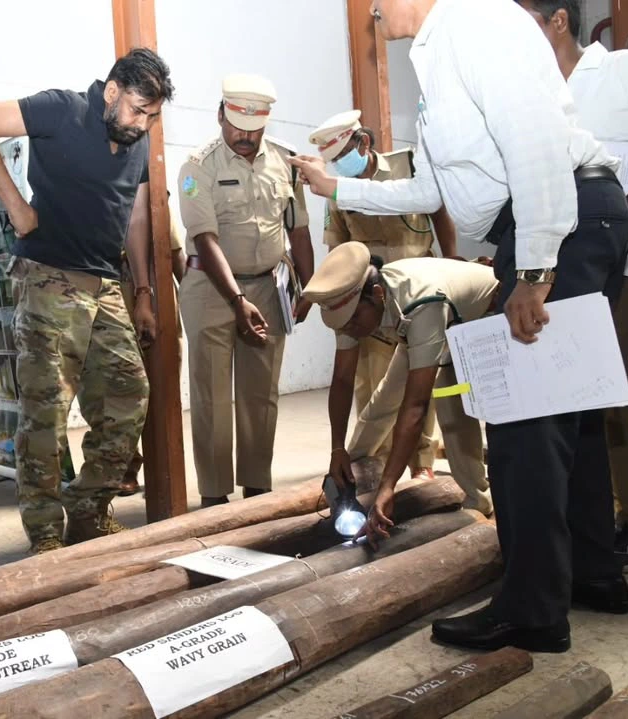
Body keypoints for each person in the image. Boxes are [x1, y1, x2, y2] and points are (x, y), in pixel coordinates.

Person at [294, 0, 628, 653]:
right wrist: (336, 189)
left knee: (522, 426)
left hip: (557, 224)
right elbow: (429, 188)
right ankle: (592, 575)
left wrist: (535, 269)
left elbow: (534, 140)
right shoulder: (439, 49)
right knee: (573, 416)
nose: (371, 10)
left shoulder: (475, 22)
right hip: (570, 218)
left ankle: (533, 608)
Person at [0, 48, 173, 553]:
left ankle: (88, 509)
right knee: (46, 413)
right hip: (49, 278)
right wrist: (17, 207)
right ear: (113, 91)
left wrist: (142, 291)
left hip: (106, 287)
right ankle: (46, 531)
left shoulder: (135, 141)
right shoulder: (63, 109)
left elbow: (136, 217)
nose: (143, 124)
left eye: (153, 116)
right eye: (138, 110)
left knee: (128, 396)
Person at [519, 0, 628, 573]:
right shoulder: (534, 95)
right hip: (577, 271)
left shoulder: (626, 72)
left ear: (558, 20)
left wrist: (612, 212)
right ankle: (619, 515)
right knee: (601, 404)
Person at [176, 74, 314, 507]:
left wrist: (308, 287)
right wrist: (237, 302)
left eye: (254, 129)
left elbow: (299, 230)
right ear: (221, 115)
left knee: (260, 396)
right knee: (212, 400)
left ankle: (258, 495)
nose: (245, 136)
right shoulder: (197, 167)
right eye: (237, 125)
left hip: (268, 288)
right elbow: (204, 239)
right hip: (211, 291)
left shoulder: (285, 164)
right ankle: (215, 501)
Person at [310, 110, 459, 483]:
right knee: (373, 386)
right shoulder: (337, 189)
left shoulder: (409, 167)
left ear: (363, 143)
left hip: (417, 290)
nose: (340, 166)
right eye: (334, 161)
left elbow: (439, 211)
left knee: (422, 379)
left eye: (345, 154)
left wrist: (453, 257)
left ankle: (422, 462)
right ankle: (374, 462)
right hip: (369, 302)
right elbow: (338, 247)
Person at [304, 243, 496, 520]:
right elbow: (343, 380)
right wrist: (337, 450)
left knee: (450, 402)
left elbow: (416, 407)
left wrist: (388, 487)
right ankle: (349, 478)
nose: (349, 329)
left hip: (477, 321)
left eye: (352, 321)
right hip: (422, 329)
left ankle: (478, 501)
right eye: (343, 324)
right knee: (385, 399)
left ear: (378, 295)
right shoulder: (351, 307)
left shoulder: (421, 303)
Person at [117, 210, 187, 496]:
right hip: (113, 289)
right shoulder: (94, 187)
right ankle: (126, 466)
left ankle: (165, 469)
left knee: (164, 384)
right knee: (118, 386)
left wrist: (192, 296)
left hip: (158, 292)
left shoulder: (155, 198)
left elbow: (176, 254)